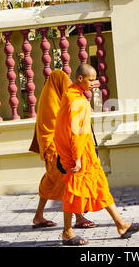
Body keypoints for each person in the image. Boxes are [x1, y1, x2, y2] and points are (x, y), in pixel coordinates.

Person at [54, 64, 139, 246]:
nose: (94, 83)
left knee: (101, 187)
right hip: (77, 155)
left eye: (95, 79)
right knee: (73, 193)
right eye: (90, 79)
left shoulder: (75, 95)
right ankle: (67, 232)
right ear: (80, 79)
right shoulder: (76, 100)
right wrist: (77, 157)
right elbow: (77, 132)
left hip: (85, 153)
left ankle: (121, 224)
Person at [29, 69, 97, 229]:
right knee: (68, 181)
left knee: (51, 181)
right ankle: (78, 218)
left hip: (54, 147)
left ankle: (38, 216)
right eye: (64, 83)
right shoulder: (51, 103)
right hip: (54, 147)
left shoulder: (52, 98)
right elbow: (59, 124)